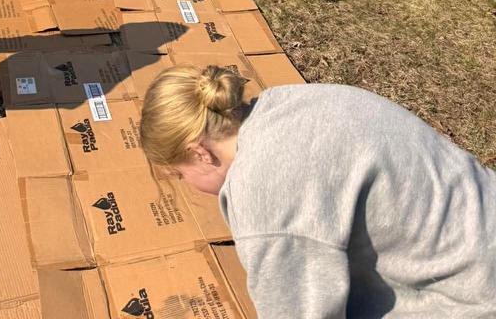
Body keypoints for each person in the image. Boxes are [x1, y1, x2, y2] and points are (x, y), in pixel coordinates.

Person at [138, 65, 496, 317]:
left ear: (198, 152)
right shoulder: (285, 102)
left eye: (180, 174)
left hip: (474, 294)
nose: (190, 188)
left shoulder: (262, 194)